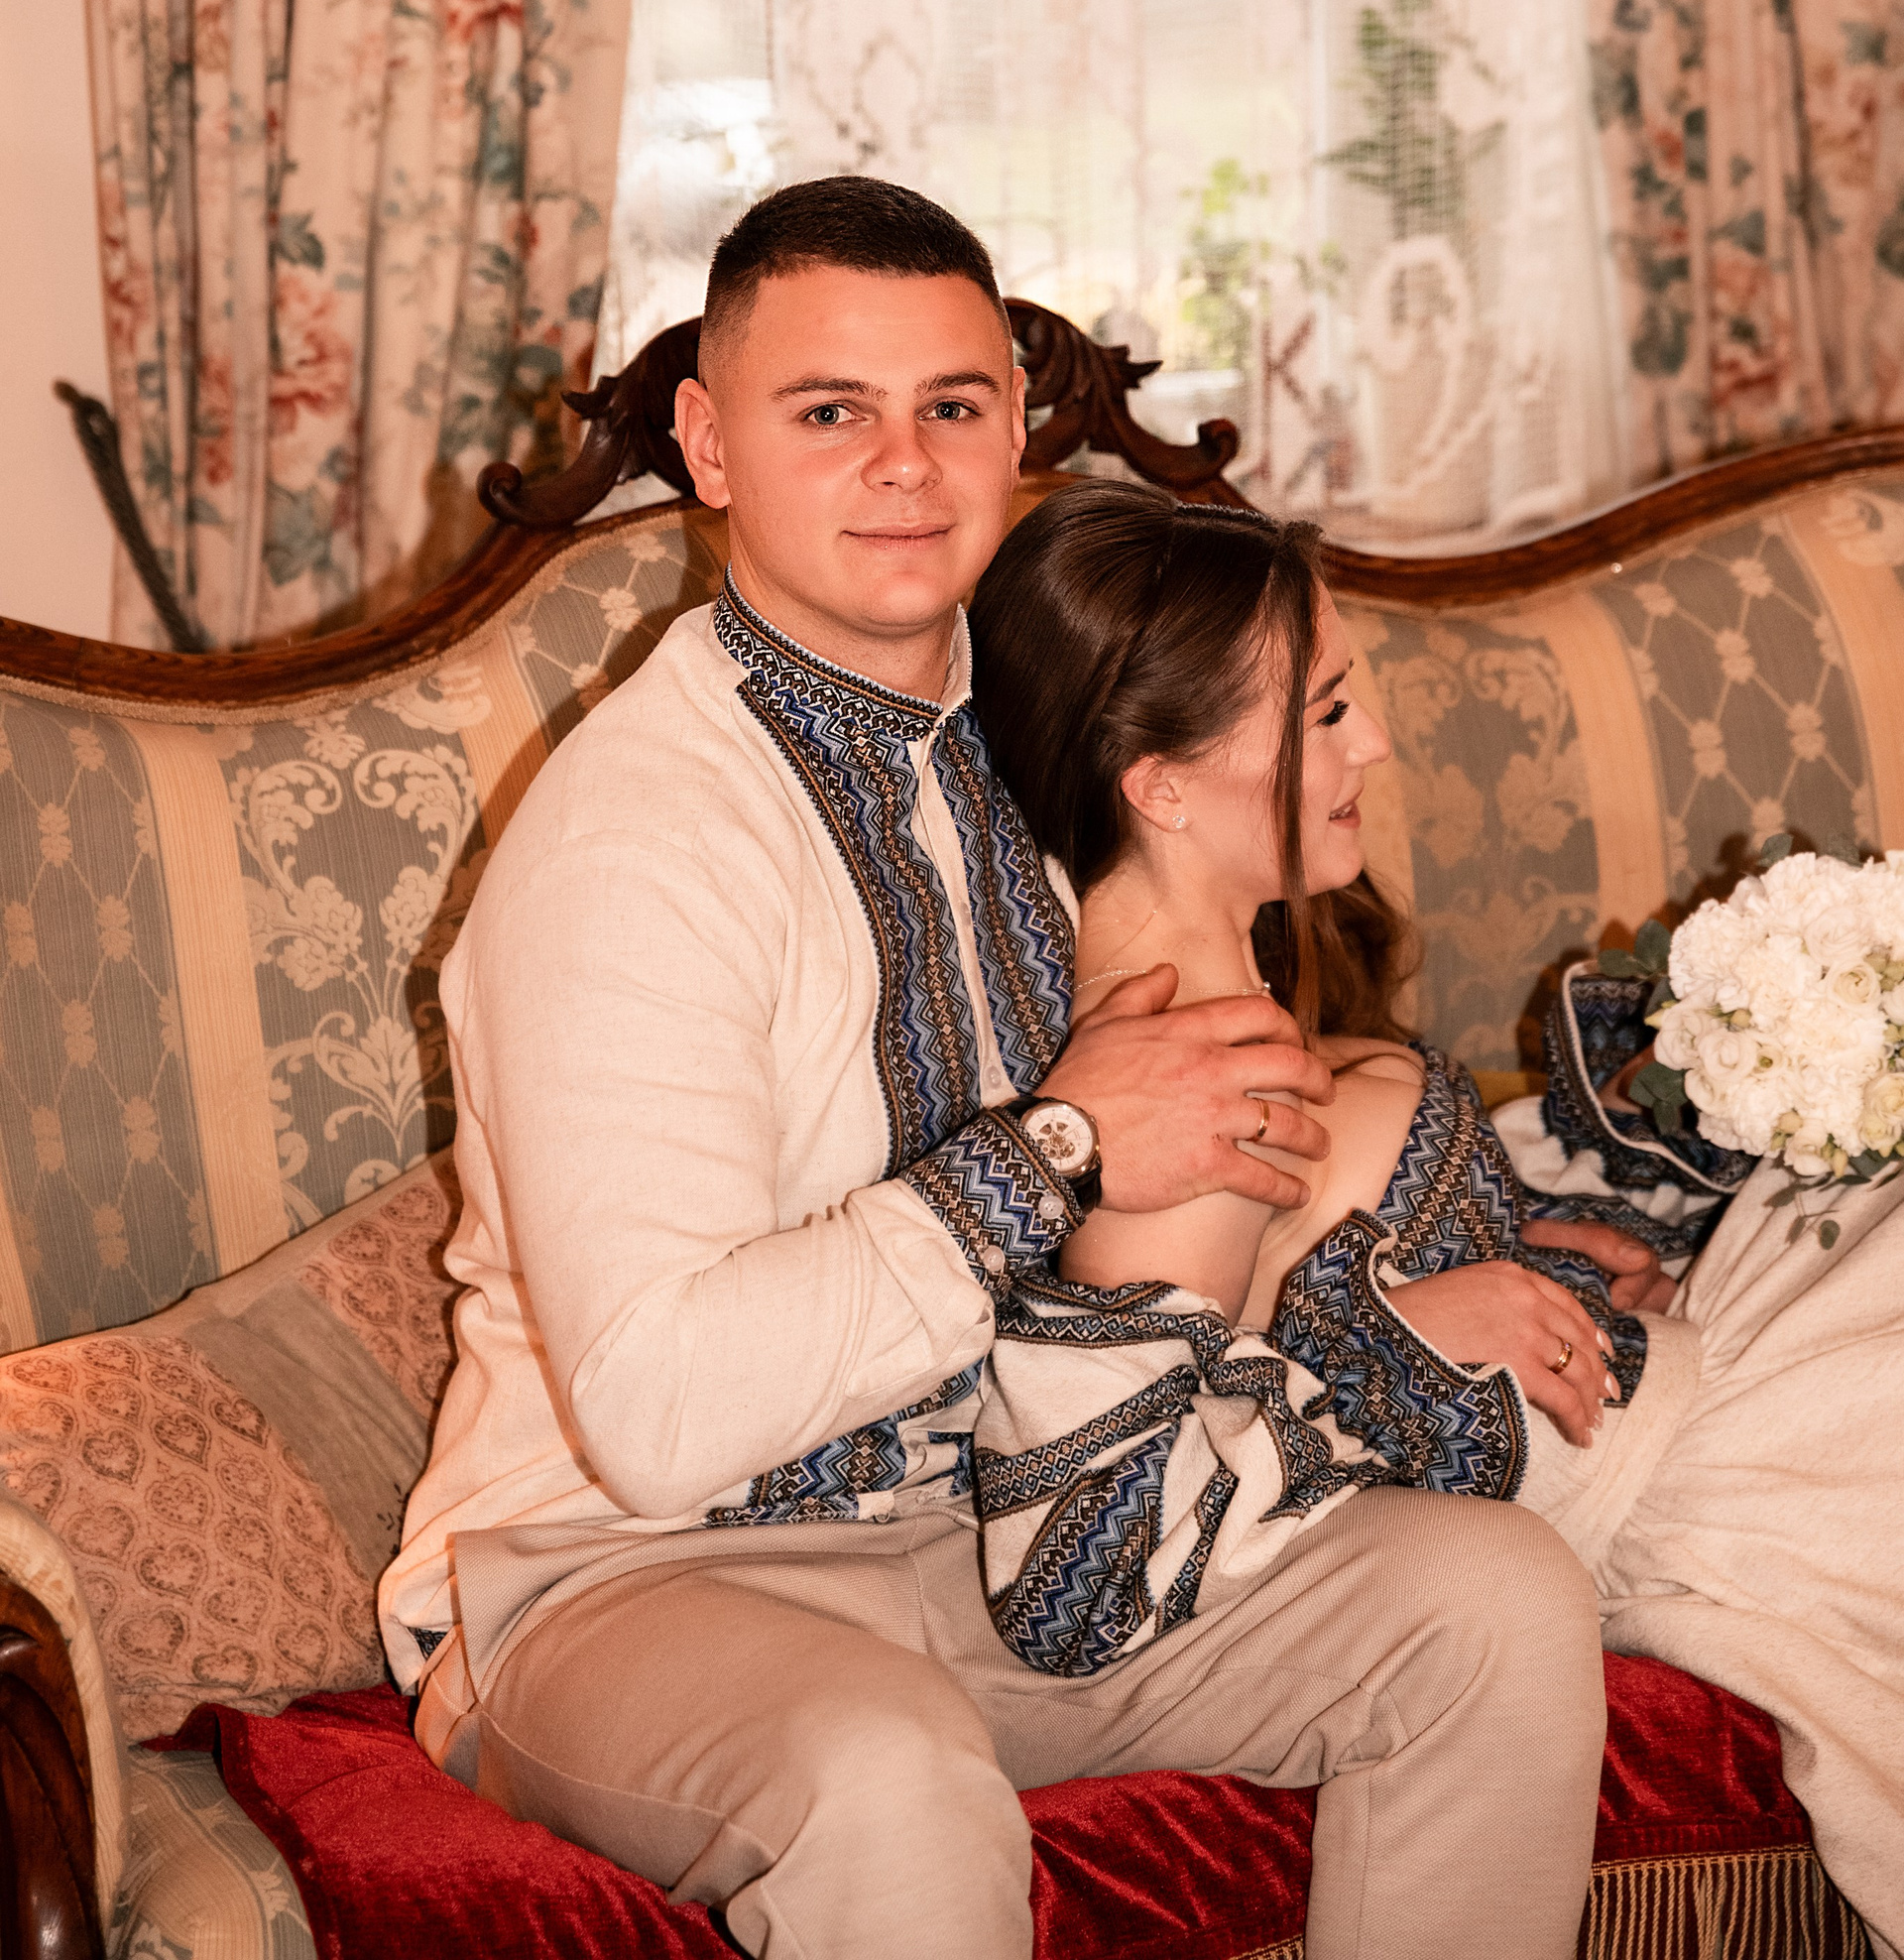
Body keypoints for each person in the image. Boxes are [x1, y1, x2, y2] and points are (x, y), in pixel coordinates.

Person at [381, 176, 1611, 1960]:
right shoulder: (635, 845)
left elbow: (1194, 1177)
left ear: (1019, 427)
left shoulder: (1043, 736)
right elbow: (657, 1413)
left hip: (990, 1541)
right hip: (621, 1580)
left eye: (951, 406)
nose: (905, 466)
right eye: (830, 413)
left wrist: (1407, 1295)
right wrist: (1052, 1149)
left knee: (1491, 1606)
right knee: (890, 1775)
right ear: (709, 447)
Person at [966, 480, 1904, 1960]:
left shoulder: (1210, 982)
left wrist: (1506, 1247)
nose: (1375, 745)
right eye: (1326, 713)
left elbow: (1268, 1282)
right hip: (1702, 1485)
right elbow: (1090, 1557)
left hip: (1676, 1394)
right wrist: (1388, 1339)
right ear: (1160, 784)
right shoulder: (1197, 1084)